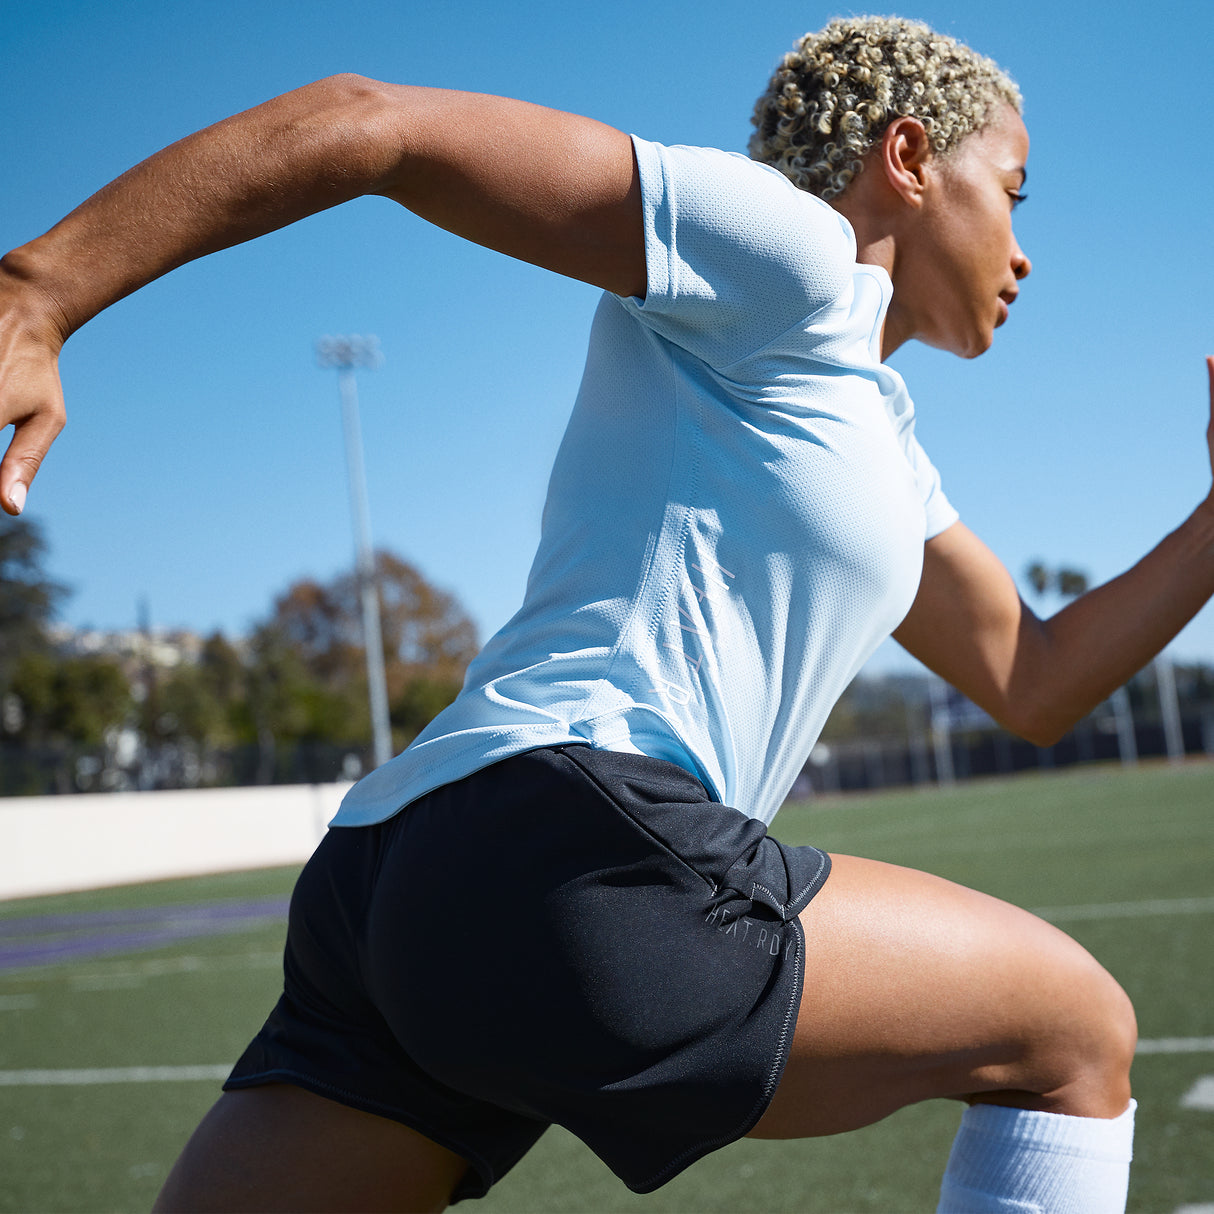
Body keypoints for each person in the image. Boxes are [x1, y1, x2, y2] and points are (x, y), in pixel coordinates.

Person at [2, 15, 1211, 1213]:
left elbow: (1035, 675)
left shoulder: (876, 435)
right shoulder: (786, 253)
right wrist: (42, 289)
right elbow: (373, 124)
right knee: (1074, 1028)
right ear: (905, 159)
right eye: (1011, 188)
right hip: (568, 841)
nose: (1023, 248)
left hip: (401, 877)